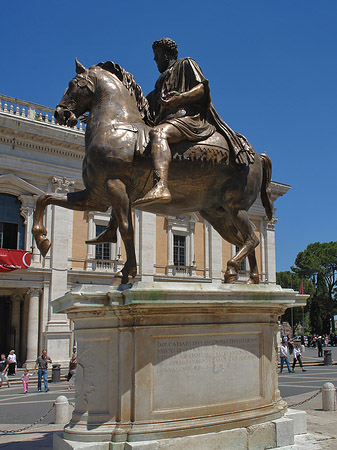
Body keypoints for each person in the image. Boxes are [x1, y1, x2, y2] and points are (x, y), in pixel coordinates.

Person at [134, 37, 255, 207]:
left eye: (157, 55)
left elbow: (202, 89)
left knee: (158, 133)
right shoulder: (160, 82)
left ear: (167, 55)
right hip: (170, 121)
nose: (155, 59)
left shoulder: (186, 64)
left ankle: (160, 186)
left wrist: (179, 98)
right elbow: (145, 107)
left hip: (188, 118)